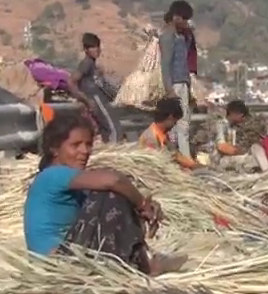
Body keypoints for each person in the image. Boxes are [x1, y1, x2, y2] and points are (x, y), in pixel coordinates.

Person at [23, 111, 187, 276]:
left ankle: (140, 260)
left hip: (68, 257)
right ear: (54, 149)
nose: (85, 151)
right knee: (111, 193)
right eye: (75, 145)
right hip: (58, 263)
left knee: (117, 195)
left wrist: (143, 210)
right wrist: (142, 205)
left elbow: (110, 215)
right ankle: (145, 266)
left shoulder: (71, 183)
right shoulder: (53, 174)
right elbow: (113, 180)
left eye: (88, 144)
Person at [68, 32, 122, 143]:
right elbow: (71, 82)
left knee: (106, 128)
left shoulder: (92, 64)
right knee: (113, 128)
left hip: (98, 98)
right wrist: (85, 99)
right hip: (96, 98)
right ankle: (115, 152)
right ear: (86, 50)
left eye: (97, 46)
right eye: (92, 47)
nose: (96, 50)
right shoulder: (86, 63)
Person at [159, 0, 194, 159]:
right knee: (175, 127)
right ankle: (178, 160)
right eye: (184, 19)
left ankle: (184, 159)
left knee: (184, 126)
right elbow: (165, 64)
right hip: (174, 85)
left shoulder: (182, 36)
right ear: (175, 17)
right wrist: (169, 89)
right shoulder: (167, 37)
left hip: (183, 83)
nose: (186, 23)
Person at [139, 97, 201, 169]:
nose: (175, 125)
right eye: (175, 121)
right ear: (170, 117)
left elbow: (176, 155)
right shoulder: (150, 138)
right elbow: (157, 167)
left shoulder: (161, 133)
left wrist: (195, 165)